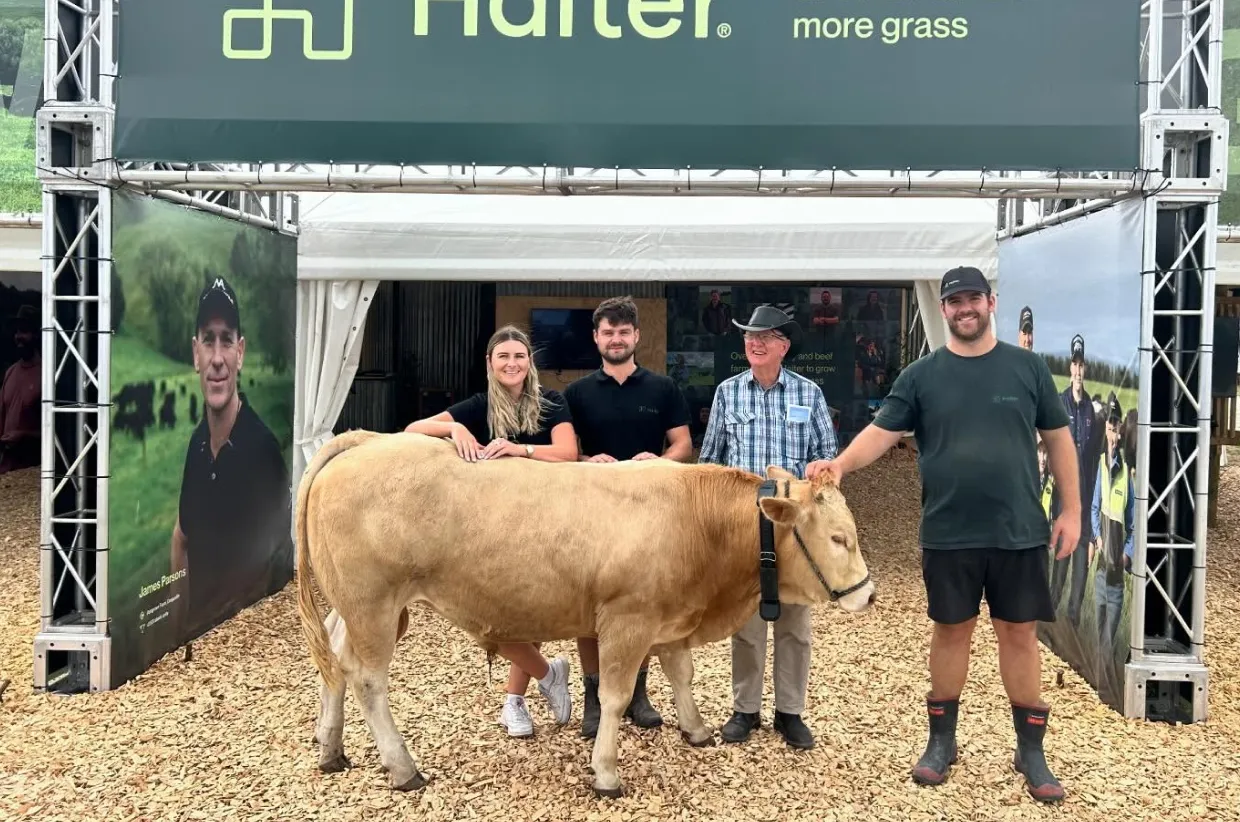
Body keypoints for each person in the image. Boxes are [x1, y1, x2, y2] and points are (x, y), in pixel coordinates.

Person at [809, 265, 1081, 803]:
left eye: (973, 298)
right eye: (954, 301)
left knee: (1019, 635)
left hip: (1019, 530)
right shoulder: (921, 376)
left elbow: (1060, 440)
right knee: (951, 632)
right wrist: (840, 464)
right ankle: (941, 742)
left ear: (991, 302)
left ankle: (1031, 751)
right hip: (949, 532)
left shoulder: (1027, 369)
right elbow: (882, 433)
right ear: (945, 310)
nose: (964, 308)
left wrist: (1071, 511)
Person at [404, 324, 577, 738]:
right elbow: (412, 430)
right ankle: (549, 674)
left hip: (548, 520)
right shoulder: (478, 406)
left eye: (519, 356)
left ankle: (514, 701)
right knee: (487, 619)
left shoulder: (552, 402)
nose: (512, 363)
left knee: (531, 614)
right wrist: (454, 429)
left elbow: (568, 452)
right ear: (490, 363)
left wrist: (521, 449)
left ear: (529, 362)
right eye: (504, 356)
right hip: (491, 531)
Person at [698, 304, 839, 750]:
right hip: (743, 524)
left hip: (792, 528)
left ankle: (790, 712)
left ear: (784, 346)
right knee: (746, 621)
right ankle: (745, 709)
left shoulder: (809, 393)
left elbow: (829, 463)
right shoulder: (727, 392)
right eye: (748, 336)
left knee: (795, 621)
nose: (755, 343)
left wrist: (820, 472)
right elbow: (709, 462)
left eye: (765, 336)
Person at [563, 296, 693, 739]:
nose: (615, 339)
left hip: (648, 516)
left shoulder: (663, 389)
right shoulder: (576, 394)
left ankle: (638, 694)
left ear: (636, 337)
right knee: (588, 609)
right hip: (591, 515)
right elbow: (565, 451)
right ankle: (593, 697)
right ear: (596, 338)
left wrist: (655, 461)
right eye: (607, 332)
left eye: (623, 332)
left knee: (643, 606)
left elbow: (682, 446)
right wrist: (584, 458)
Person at [170, 277, 294, 643]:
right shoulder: (196, 446)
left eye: (227, 340)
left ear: (241, 352)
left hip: (244, 657)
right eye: (209, 340)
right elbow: (181, 538)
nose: (218, 358)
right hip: (196, 651)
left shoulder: (263, 451)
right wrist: (178, 637)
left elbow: (278, 570)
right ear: (196, 354)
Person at [1052, 334, 1104, 626]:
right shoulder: (1059, 404)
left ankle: (1072, 622)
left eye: (1082, 365)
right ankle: (1049, 622)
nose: (1078, 370)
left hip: (1084, 503)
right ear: (1070, 368)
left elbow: (1095, 460)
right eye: (1075, 364)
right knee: (1059, 566)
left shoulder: (1091, 413)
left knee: (1081, 569)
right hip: (1063, 502)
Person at [1091, 393, 1134, 669]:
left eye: (1116, 429)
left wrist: (1126, 556)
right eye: (1109, 428)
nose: (1113, 435)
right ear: (1105, 430)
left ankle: (1104, 691)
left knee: (1107, 643)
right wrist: (1097, 536)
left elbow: (1134, 524)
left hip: (1116, 578)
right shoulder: (1100, 467)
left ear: (1121, 431)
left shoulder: (1127, 474)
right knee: (1097, 637)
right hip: (1099, 574)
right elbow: (1094, 508)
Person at [0, 304, 41, 475]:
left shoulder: (47, 375)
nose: (18, 337)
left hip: (32, 476)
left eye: (24, 331)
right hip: (5, 473)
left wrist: (24, 436)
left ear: (37, 335)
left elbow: (56, 433)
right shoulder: (10, 373)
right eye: (16, 332)